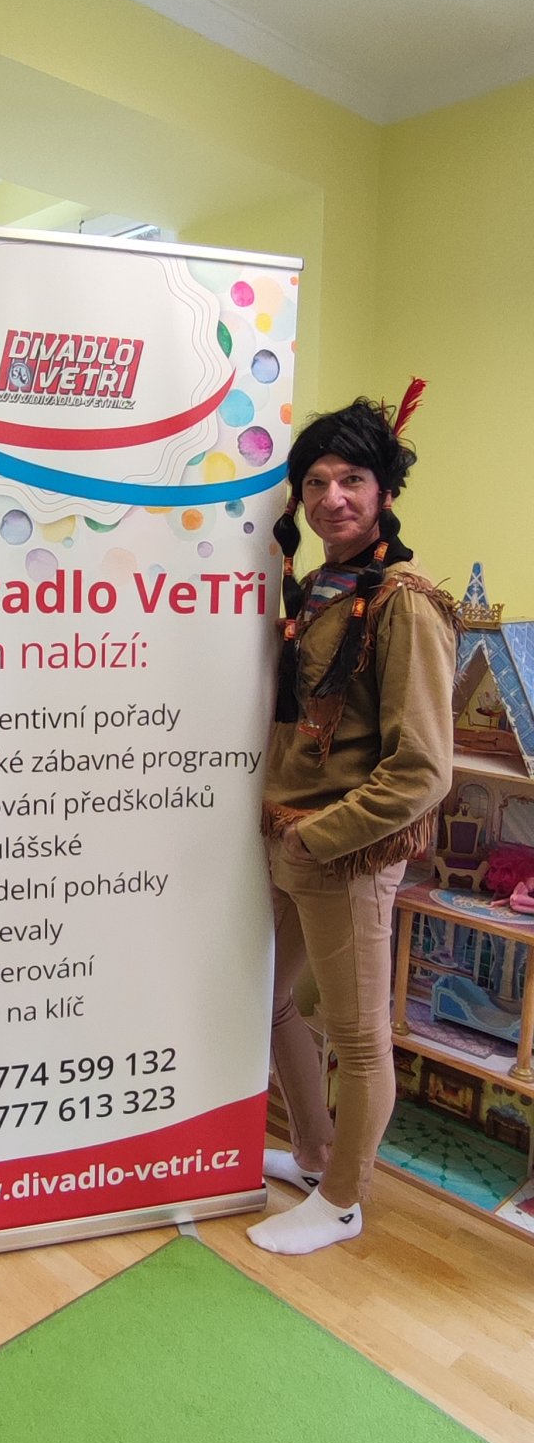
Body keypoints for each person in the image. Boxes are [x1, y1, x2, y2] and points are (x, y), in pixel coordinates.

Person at [249, 388, 458, 1256]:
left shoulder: (406, 602)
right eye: (316, 482)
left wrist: (317, 836)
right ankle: (314, 1154)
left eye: (352, 481)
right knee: (270, 1005)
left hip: (347, 853)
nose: (332, 498)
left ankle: (343, 1200)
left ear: (384, 493)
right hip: (292, 840)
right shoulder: (321, 590)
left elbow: (424, 769)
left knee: (361, 1039)